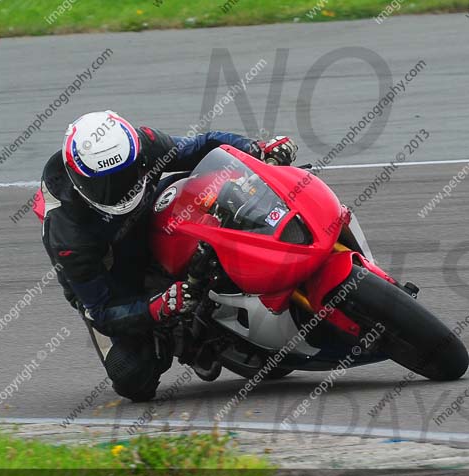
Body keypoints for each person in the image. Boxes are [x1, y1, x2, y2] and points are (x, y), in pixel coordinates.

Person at [38, 110, 297, 401]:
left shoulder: (142, 145)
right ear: (80, 181)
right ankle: (178, 337)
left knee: (218, 186)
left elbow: (202, 147)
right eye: (106, 184)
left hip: (149, 216)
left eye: (127, 174)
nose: (121, 189)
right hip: (112, 270)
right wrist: (156, 308)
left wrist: (255, 149)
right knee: (132, 378)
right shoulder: (67, 233)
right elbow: (102, 311)